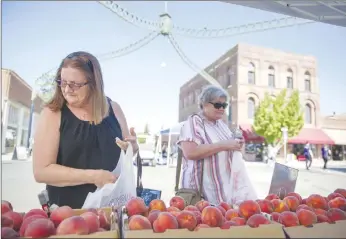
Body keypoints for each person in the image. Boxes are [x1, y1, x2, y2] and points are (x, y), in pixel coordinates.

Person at [32, 51, 139, 209]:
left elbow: (123, 154)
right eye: (62, 82)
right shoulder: (53, 113)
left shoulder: (115, 109)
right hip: (67, 216)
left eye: (75, 84)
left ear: (94, 84)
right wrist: (94, 176)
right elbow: (42, 171)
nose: (67, 89)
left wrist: (133, 148)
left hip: (110, 214)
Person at [177, 85, 245, 205]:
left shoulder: (222, 125)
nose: (221, 109)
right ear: (204, 104)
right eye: (218, 105)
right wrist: (224, 145)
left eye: (224, 105)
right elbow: (190, 152)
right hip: (201, 197)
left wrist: (237, 145)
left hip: (224, 196)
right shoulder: (194, 122)